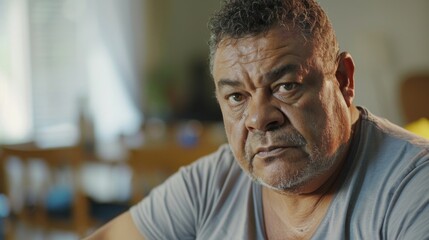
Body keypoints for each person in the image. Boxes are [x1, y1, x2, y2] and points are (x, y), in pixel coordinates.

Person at [85, 0, 429, 239]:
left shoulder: (414, 186)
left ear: (343, 80)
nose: (259, 118)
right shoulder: (212, 183)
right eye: (236, 97)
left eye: (285, 86)